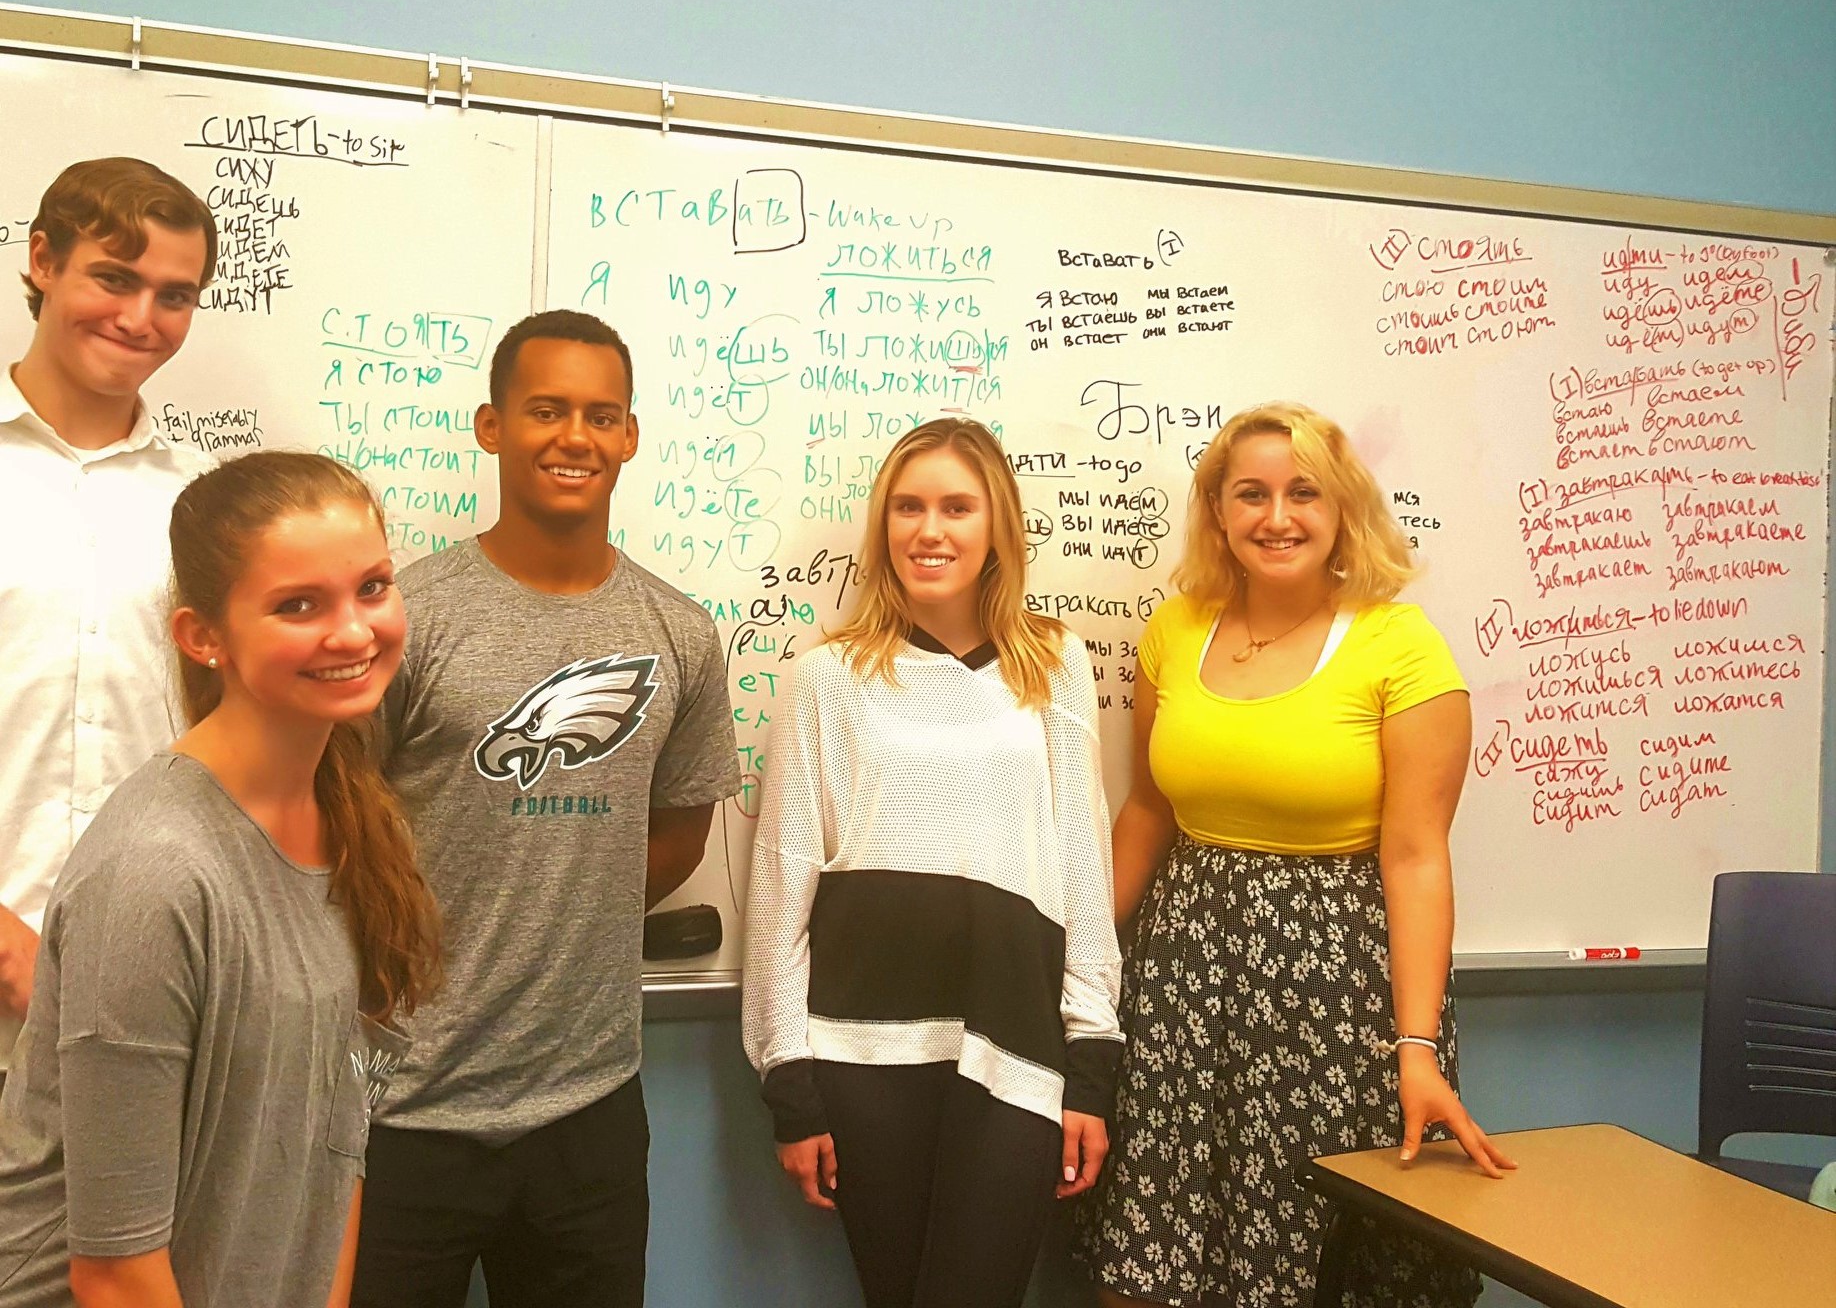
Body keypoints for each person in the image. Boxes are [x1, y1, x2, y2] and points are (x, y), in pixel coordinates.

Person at [1074, 401, 1513, 1308]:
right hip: (1180, 982)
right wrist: (1075, 958)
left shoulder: (1400, 646)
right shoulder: (1176, 629)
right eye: (1252, 494)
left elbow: (1417, 860)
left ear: (1342, 505)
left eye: (1304, 492)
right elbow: (1149, 812)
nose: (1278, 517)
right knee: (1156, 1250)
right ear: (1218, 510)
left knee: (1309, 1253)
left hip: (1335, 999)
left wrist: (1417, 1048)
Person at [351, 309, 739, 1308]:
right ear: (492, 426)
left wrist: (567, 901)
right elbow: (339, 832)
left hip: (589, 1110)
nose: (576, 436)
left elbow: (680, 831)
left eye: (602, 415)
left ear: (631, 435)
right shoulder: (408, 619)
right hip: (405, 1106)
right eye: (546, 409)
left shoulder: (680, 632)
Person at [0, 451, 440, 1307]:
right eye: (298, 605)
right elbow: (116, 1275)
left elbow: (336, 1144)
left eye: (373, 588)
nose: (354, 632)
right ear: (202, 637)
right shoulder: (154, 875)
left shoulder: (350, 822)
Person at [744, 417, 1123, 1308]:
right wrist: (788, 1081)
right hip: (861, 1054)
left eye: (957, 507)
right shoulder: (828, 676)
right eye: (908, 508)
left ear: (998, 527)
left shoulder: (1055, 664)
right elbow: (782, 880)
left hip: (1015, 1048)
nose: (930, 530)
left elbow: (1082, 863)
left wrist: (1093, 1057)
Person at [0, 158, 217, 1068]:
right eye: (114, 278)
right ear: (43, 260)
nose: (139, 318)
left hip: (144, 997)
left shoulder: (204, 507)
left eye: (175, 295)